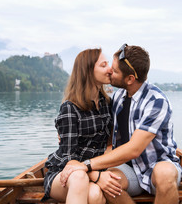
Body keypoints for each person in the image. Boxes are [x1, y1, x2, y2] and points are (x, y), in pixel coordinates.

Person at [60, 44, 182, 204]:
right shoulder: (117, 98)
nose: (110, 70)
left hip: (156, 165)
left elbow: (134, 149)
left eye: (115, 70)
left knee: (165, 174)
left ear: (130, 79)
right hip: (128, 168)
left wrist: (87, 165)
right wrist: (65, 129)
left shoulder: (156, 101)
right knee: (107, 181)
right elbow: (97, 122)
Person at [42, 48, 122, 204]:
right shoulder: (70, 108)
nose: (110, 69)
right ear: (88, 72)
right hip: (64, 172)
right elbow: (70, 160)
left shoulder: (107, 105)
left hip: (92, 169)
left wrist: (96, 172)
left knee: (94, 195)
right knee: (79, 177)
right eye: (103, 65)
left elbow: (110, 146)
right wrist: (96, 175)